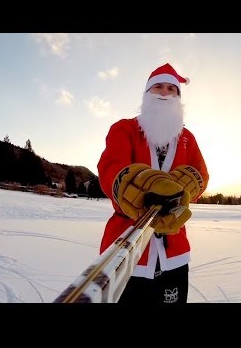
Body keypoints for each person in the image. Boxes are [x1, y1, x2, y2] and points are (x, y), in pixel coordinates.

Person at [97, 63, 209, 304]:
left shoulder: (188, 138)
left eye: (172, 88)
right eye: (158, 86)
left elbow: (201, 175)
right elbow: (110, 169)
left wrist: (183, 189)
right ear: (147, 94)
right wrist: (137, 186)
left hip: (174, 253)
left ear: (179, 98)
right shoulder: (123, 129)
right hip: (127, 251)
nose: (165, 93)